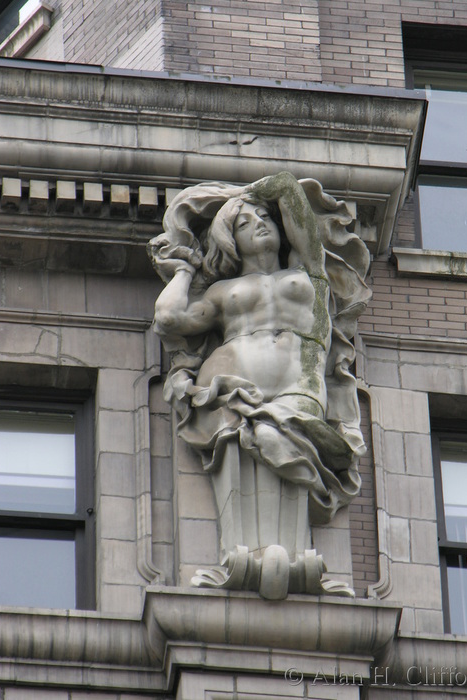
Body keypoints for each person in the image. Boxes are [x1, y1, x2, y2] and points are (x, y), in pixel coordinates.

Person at [149, 171, 371, 597]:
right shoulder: (223, 292)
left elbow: (288, 188)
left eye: (264, 216)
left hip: (298, 389)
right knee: (251, 442)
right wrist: (183, 270)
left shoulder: (309, 274)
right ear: (230, 240)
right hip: (235, 391)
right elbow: (168, 319)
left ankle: (283, 557)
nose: (259, 223)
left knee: (275, 440)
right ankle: (248, 555)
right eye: (244, 223)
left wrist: (243, 195)